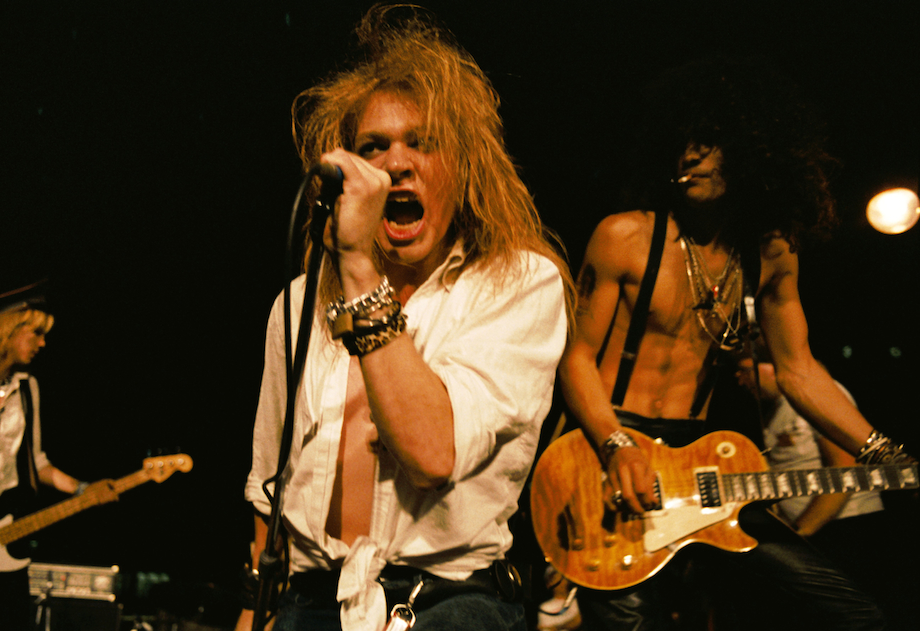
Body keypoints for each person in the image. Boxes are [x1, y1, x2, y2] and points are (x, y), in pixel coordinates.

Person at [237, 6, 572, 631]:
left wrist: (358, 265)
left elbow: (432, 452)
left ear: (465, 167)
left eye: (424, 142)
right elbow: (268, 493)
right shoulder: (297, 305)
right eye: (374, 146)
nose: (396, 164)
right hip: (309, 600)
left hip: (448, 604)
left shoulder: (519, 285)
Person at [558, 56, 912, 630]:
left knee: (855, 614)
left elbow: (799, 371)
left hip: (701, 462)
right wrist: (615, 442)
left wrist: (884, 453)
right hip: (608, 451)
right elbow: (575, 357)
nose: (690, 155)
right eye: (684, 140)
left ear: (754, 151)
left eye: (711, 142)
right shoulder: (624, 236)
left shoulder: (771, 253)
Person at [0, 281, 116, 630]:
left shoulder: (28, 388)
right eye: (35, 332)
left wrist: (82, 489)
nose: (42, 343)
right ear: (7, 330)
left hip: (6, 533)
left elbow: (37, 463)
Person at [734, 352, 884, 538]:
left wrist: (801, 531)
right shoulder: (778, 410)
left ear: (774, 363)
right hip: (818, 530)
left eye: (744, 371)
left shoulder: (815, 396)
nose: (740, 381)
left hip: (846, 526)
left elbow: (845, 466)